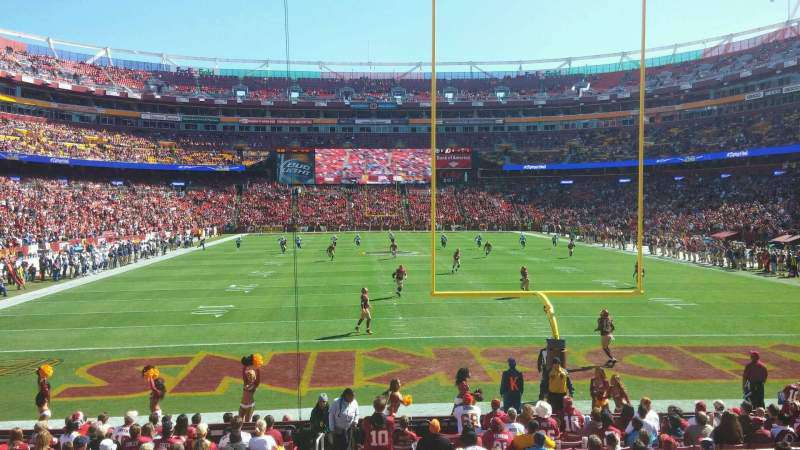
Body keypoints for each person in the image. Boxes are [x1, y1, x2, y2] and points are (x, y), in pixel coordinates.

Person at [239, 354, 262, 421]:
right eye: (248, 375)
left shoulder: (255, 385)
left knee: (247, 422)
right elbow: (243, 372)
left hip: (250, 405)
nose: (249, 376)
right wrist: (246, 363)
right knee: (239, 420)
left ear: (254, 376)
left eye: (251, 375)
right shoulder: (245, 382)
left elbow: (258, 378)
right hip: (242, 404)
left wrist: (257, 368)